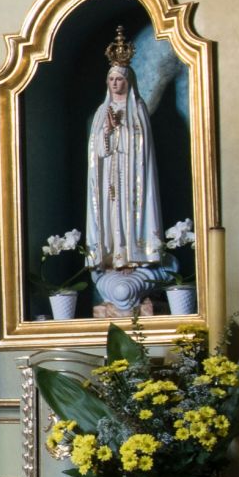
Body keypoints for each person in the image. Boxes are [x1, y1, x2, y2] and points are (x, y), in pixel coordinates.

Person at [84, 29, 161, 297]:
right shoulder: (101, 112)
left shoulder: (137, 108)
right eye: (111, 79)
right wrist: (107, 131)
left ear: (128, 81)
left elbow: (142, 147)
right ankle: (112, 256)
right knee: (110, 212)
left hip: (131, 175)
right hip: (109, 175)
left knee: (128, 211)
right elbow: (97, 151)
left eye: (119, 79)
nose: (115, 84)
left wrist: (122, 129)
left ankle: (132, 256)